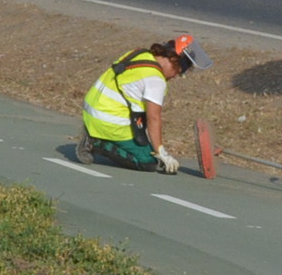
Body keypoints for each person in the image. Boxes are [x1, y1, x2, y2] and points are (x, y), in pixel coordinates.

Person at [77, 34, 210, 173]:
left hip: (91, 111)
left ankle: (96, 134)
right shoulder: (155, 79)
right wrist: (161, 152)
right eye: (180, 71)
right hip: (109, 121)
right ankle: (96, 142)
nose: (176, 76)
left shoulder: (140, 54)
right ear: (174, 60)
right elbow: (154, 118)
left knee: (146, 145)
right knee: (148, 161)